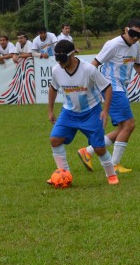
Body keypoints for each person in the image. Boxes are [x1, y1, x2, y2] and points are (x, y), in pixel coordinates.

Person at [79, 18, 140, 174]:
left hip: (121, 88)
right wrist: (84, 86)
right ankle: (114, 165)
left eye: (139, 35)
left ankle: (88, 151)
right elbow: (94, 64)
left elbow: (137, 66)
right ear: (125, 30)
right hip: (111, 87)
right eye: (132, 33)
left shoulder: (136, 45)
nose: (135, 37)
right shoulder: (113, 44)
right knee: (129, 125)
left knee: (123, 128)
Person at [47, 39, 119, 185]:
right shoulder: (56, 70)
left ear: (72, 54)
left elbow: (107, 87)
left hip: (91, 113)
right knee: (55, 140)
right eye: (57, 60)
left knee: (99, 148)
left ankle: (111, 175)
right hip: (68, 113)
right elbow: (53, 89)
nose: (60, 63)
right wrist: (50, 110)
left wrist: (105, 110)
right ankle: (63, 175)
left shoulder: (89, 69)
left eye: (62, 59)